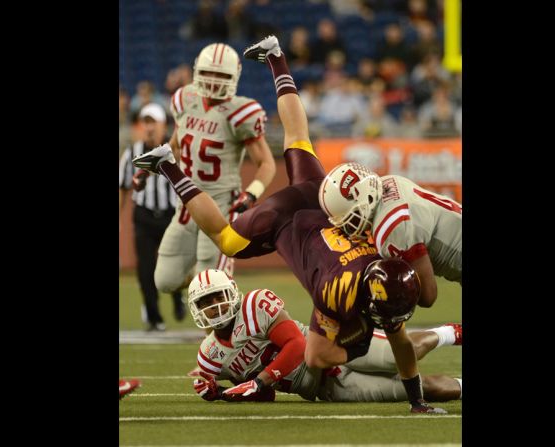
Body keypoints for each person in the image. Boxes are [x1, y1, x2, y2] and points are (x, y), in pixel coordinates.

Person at [133, 35, 441, 413]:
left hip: (321, 198)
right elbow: (312, 354)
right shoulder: (336, 292)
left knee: (298, 137)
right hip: (285, 220)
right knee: (227, 240)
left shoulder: (377, 262)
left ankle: (276, 57)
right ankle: (167, 165)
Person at [187, 269, 461, 404]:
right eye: (205, 303)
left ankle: (450, 333)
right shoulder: (210, 356)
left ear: (232, 293)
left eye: (217, 298)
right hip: (326, 388)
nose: (214, 308)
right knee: (420, 389)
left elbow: (297, 345)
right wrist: (221, 392)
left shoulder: (254, 305)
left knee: (395, 357)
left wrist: (258, 381)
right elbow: (265, 396)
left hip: (332, 346)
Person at [150, 42, 276, 303]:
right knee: (165, 280)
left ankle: (227, 328)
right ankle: (202, 286)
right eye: (209, 73)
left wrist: (251, 194)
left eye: (222, 75)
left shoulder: (240, 112)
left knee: (212, 283)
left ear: (235, 77)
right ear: (197, 71)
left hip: (220, 207)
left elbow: (267, 163)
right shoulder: (184, 99)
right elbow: (175, 144)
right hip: (185, 208)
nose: (214, 81)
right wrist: (154, 167)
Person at [317, 160, 462, 309]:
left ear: (366, 197)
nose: (349, 228)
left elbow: (428, 295)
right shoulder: (389, 181)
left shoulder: (392, 227)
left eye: (351, 218)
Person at [119, 103, 185, 331]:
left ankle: (178, 299)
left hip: (170, 215)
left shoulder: (174, 149)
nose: (148, 128)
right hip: (144, 217)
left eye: (152, 122)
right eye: (144, 122)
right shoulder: (131, 152)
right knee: (145, 271)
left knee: (175, 265)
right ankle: (155, 317)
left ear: (162, 125)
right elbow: (123, 187)